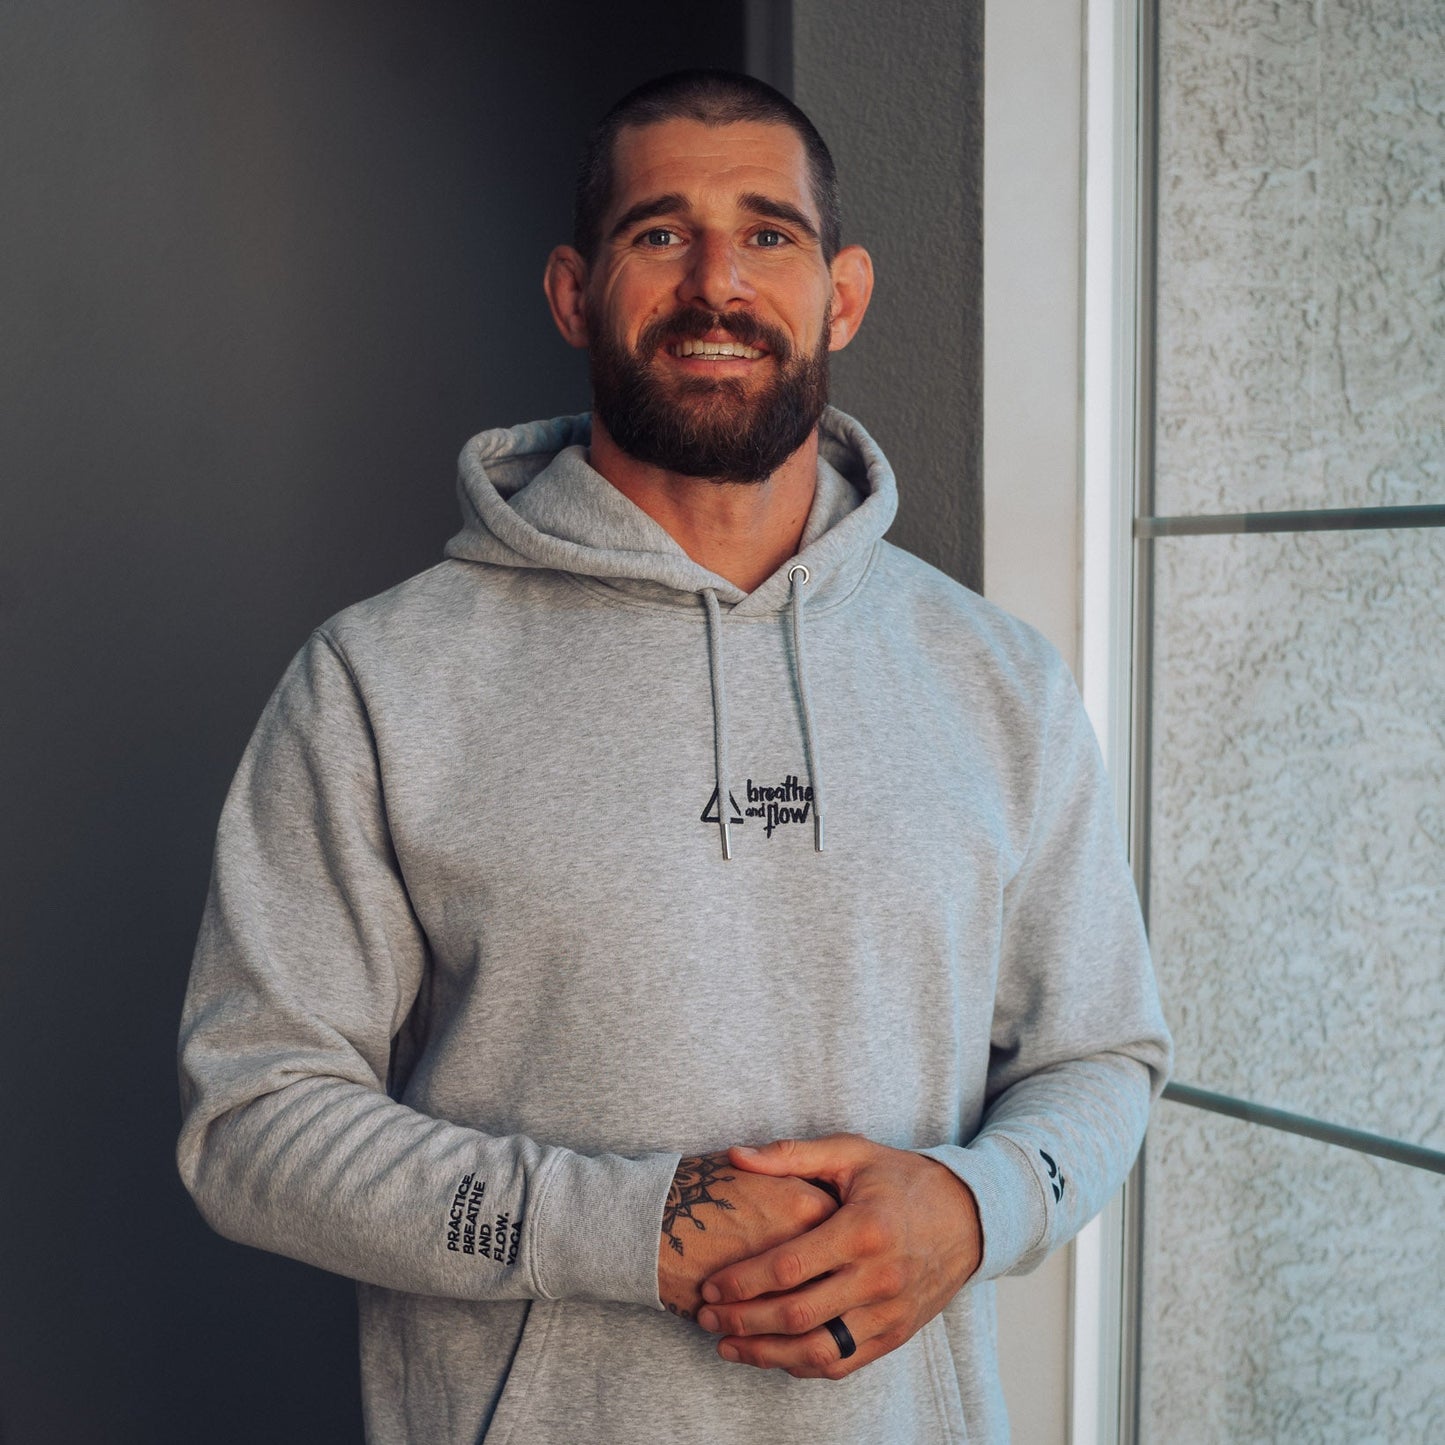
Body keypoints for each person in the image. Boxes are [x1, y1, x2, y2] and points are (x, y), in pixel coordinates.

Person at [177, 69, 1171, 1444]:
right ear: (574, 292)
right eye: (661, 234)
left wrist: (973, 1205)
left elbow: (1103, 1056)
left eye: (769, 233)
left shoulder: (998, 678)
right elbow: (251, 1121)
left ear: (844, 293)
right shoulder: (381, 677)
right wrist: (632, 1228)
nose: (718, 282)